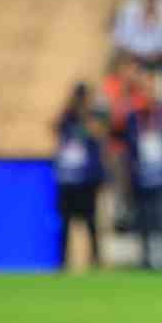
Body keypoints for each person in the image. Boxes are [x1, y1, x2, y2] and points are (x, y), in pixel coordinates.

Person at [121, 74, 162, 270]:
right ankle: (146, 260)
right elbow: (127, 148)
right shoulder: (132, 117)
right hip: (141, 177)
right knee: (144, 220)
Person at [54, 82, 108, 267]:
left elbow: (99, 133)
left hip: (87, 178)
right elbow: (55, 127)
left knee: (90, 221)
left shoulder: (94, 117)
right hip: (68, 178)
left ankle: (95, 259)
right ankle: (63, 260)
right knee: (66, 222)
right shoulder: (67, 118)